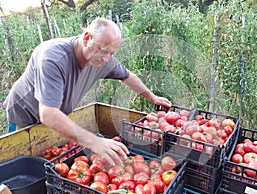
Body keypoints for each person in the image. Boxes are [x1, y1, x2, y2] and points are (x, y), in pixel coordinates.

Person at [3, 17, 171, 166]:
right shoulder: (53, 57)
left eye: (112, 54)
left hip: (54, 114)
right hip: (25, 114)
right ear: (86, 38)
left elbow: (127, 76)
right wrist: (96, 142)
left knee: (48, 157)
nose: (106, 58)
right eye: (104, 51)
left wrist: (152, 97)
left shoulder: (104, 59)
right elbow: (48, 115)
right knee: (23, 165)